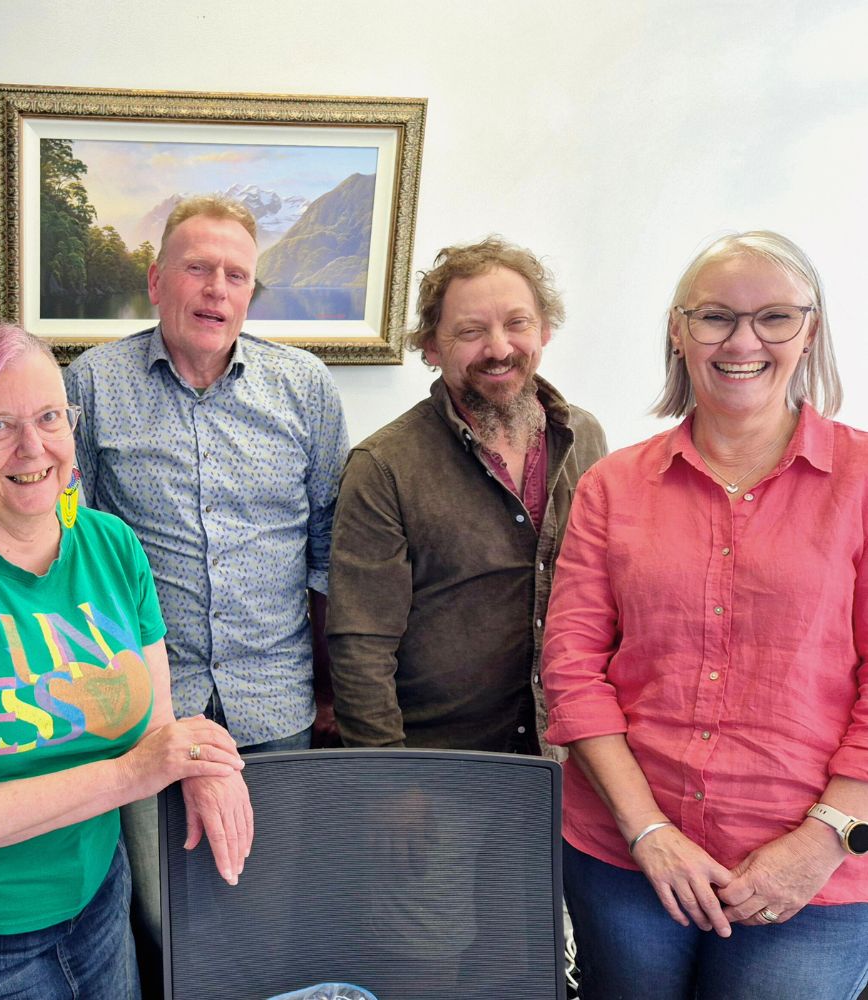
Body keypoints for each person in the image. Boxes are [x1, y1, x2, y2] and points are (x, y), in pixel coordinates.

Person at [0, 324, 252, 999]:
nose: (34, 448)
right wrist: (134, 773)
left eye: (50, 417)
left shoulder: (113, 546)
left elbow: (156, 728)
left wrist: (202, 765)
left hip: (96, 901)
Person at [544, 232, 868, 999]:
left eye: (775, 318)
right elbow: (572, 671)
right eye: (716, 317)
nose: (743, 341)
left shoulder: (860, 482)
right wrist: (649, 832)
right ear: (678, 330)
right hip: (626, 861)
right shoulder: (612, 486)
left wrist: (822, 842)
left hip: (815, 875)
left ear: (811, 330)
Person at [64, 197, 347, 985]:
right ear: (156, 281)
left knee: (264, 915)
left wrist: (329, 692)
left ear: (251, 293)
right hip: (145, 713)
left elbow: (329, 555)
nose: (215, 289)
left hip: (274, 706)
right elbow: (74, 561)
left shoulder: (306, 389)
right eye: (197, 268)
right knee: (156, 920)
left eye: (234, 275)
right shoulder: (91, 384)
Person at [328, 237, 606, 754]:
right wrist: (393, 782)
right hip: (444, 764)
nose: (499, 348)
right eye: (471, 331)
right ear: (432, 347)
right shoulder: (383, 467)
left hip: (573, 758)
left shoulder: (585, 438)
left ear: (544, 328)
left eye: (517, 323)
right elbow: (361, 647)